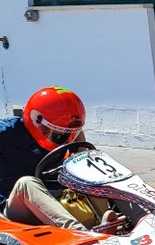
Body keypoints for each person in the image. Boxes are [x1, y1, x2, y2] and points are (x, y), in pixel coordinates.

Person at [1, 87, 121, 233]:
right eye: (58, 134)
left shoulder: (68, 135)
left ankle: (138, 216)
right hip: (15, 207)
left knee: (94, 170)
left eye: (69, 134)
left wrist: (82, 155)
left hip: (56, 198)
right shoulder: (6, 132)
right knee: (26, 182)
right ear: (37, 121)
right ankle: (80, 233)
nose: (64, 139)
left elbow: (83, 153)